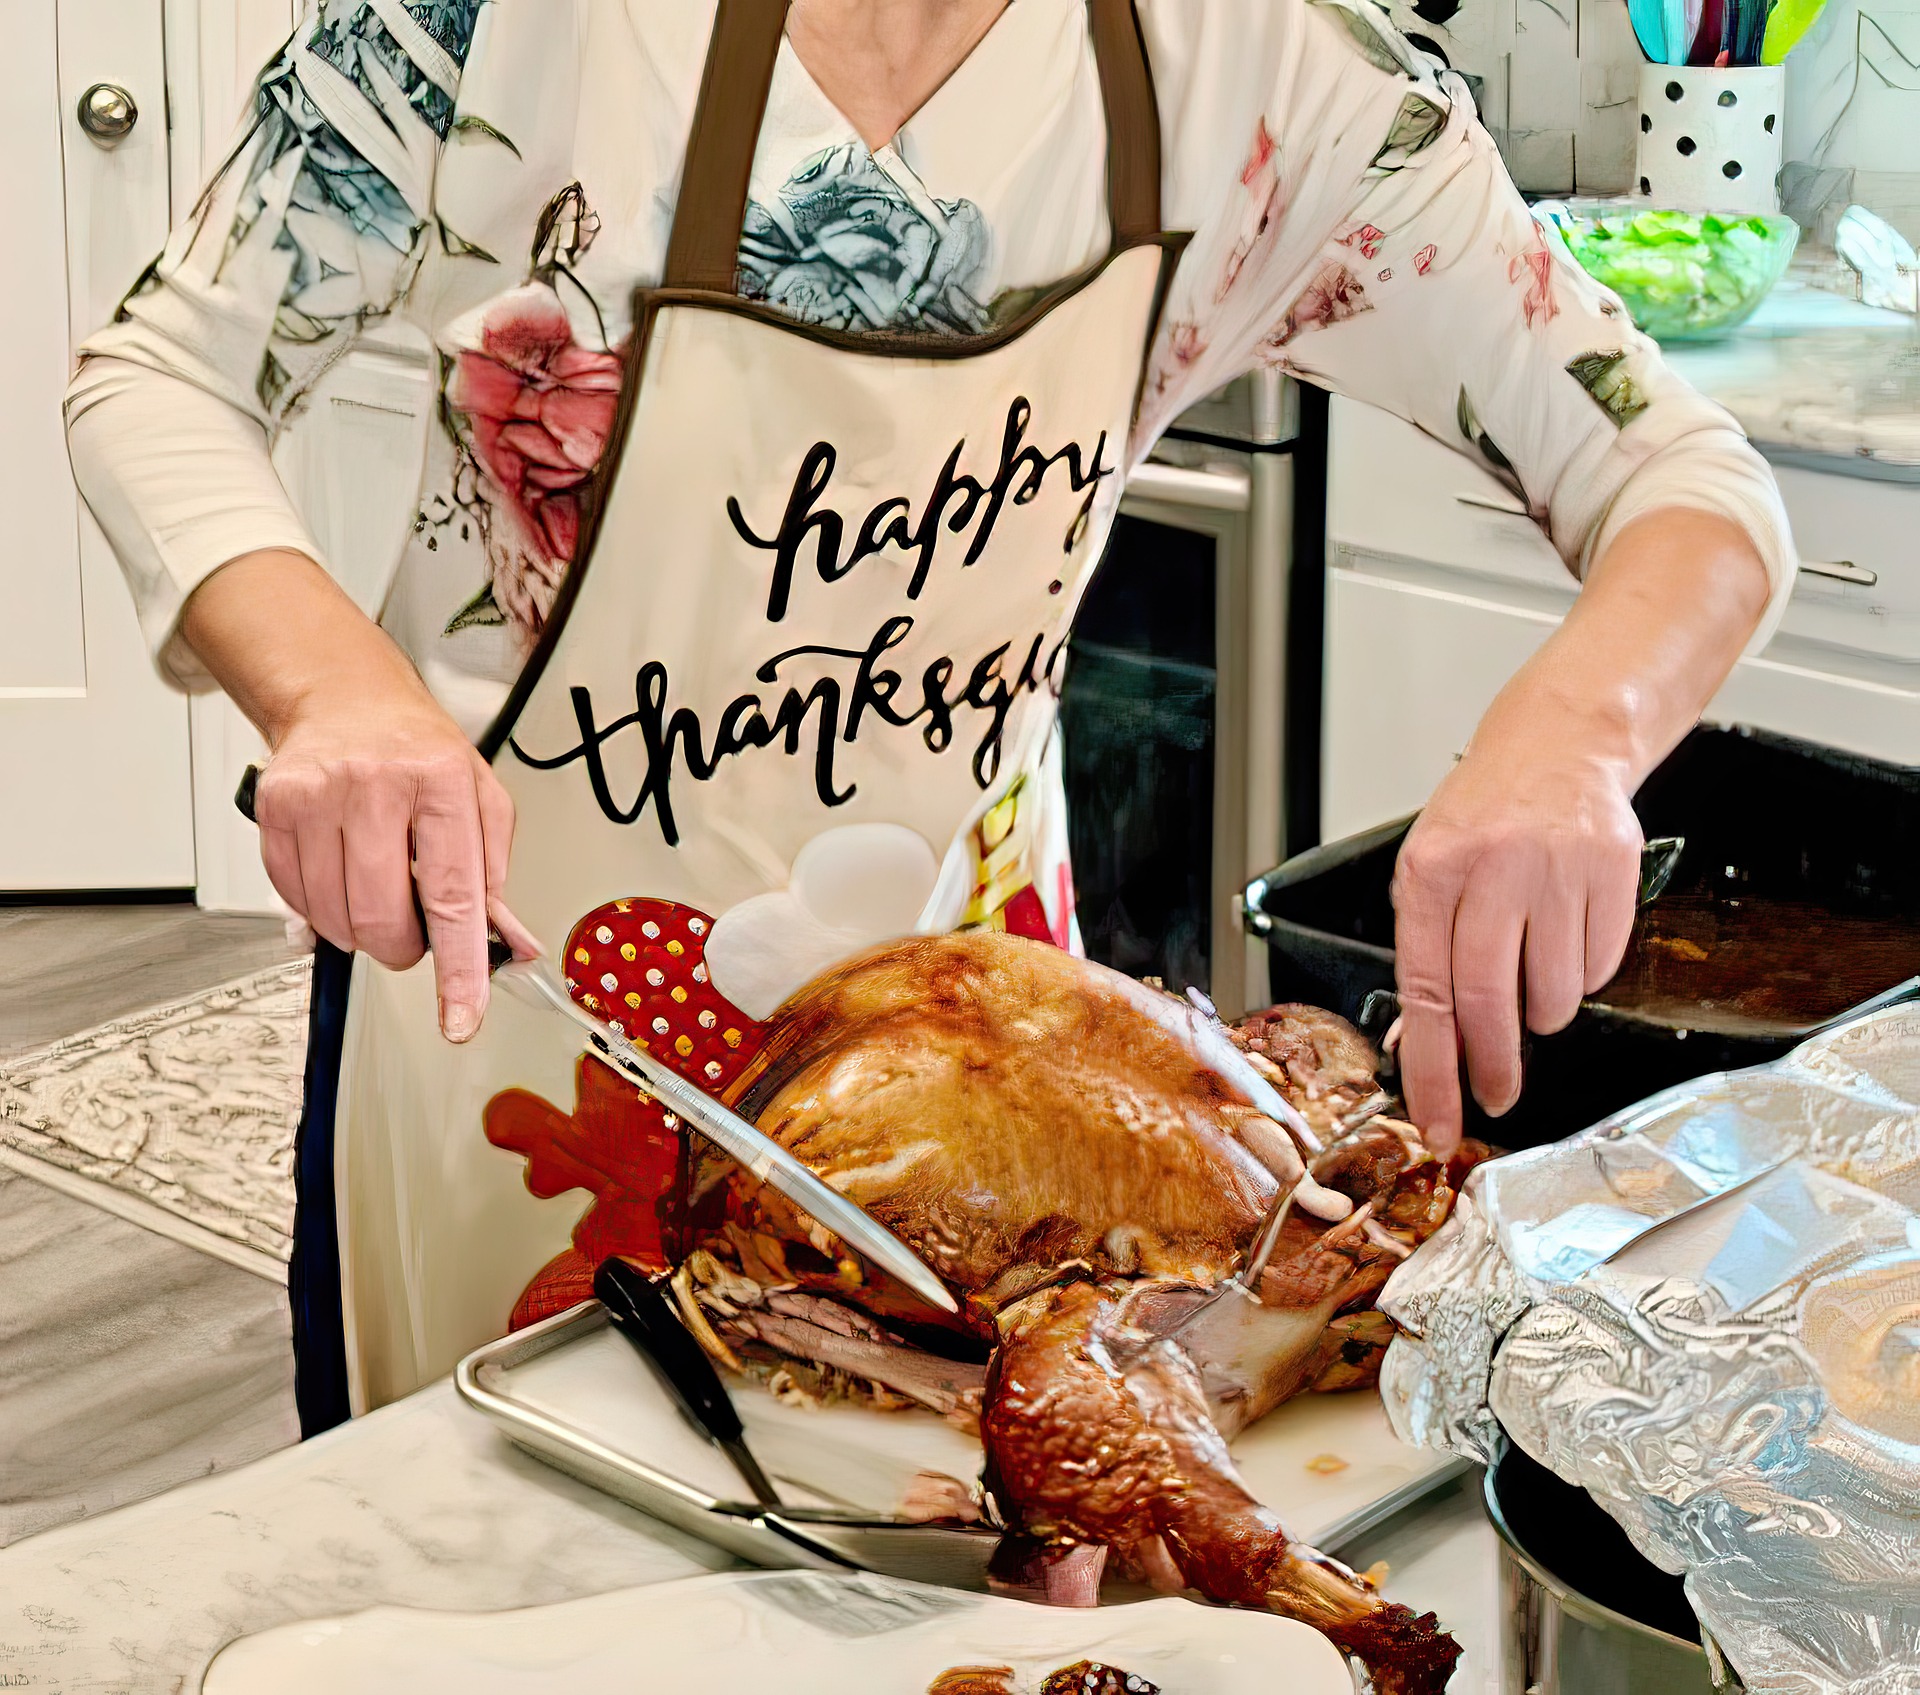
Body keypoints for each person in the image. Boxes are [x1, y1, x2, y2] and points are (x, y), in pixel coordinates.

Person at [66, 0, 1789, 1434]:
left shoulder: (1263, 68)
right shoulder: (490, 28)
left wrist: (1572, 736)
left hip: (998, 1106)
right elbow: (161, 369)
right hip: (516, 1018)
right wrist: (333, 687)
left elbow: (1676, 474)